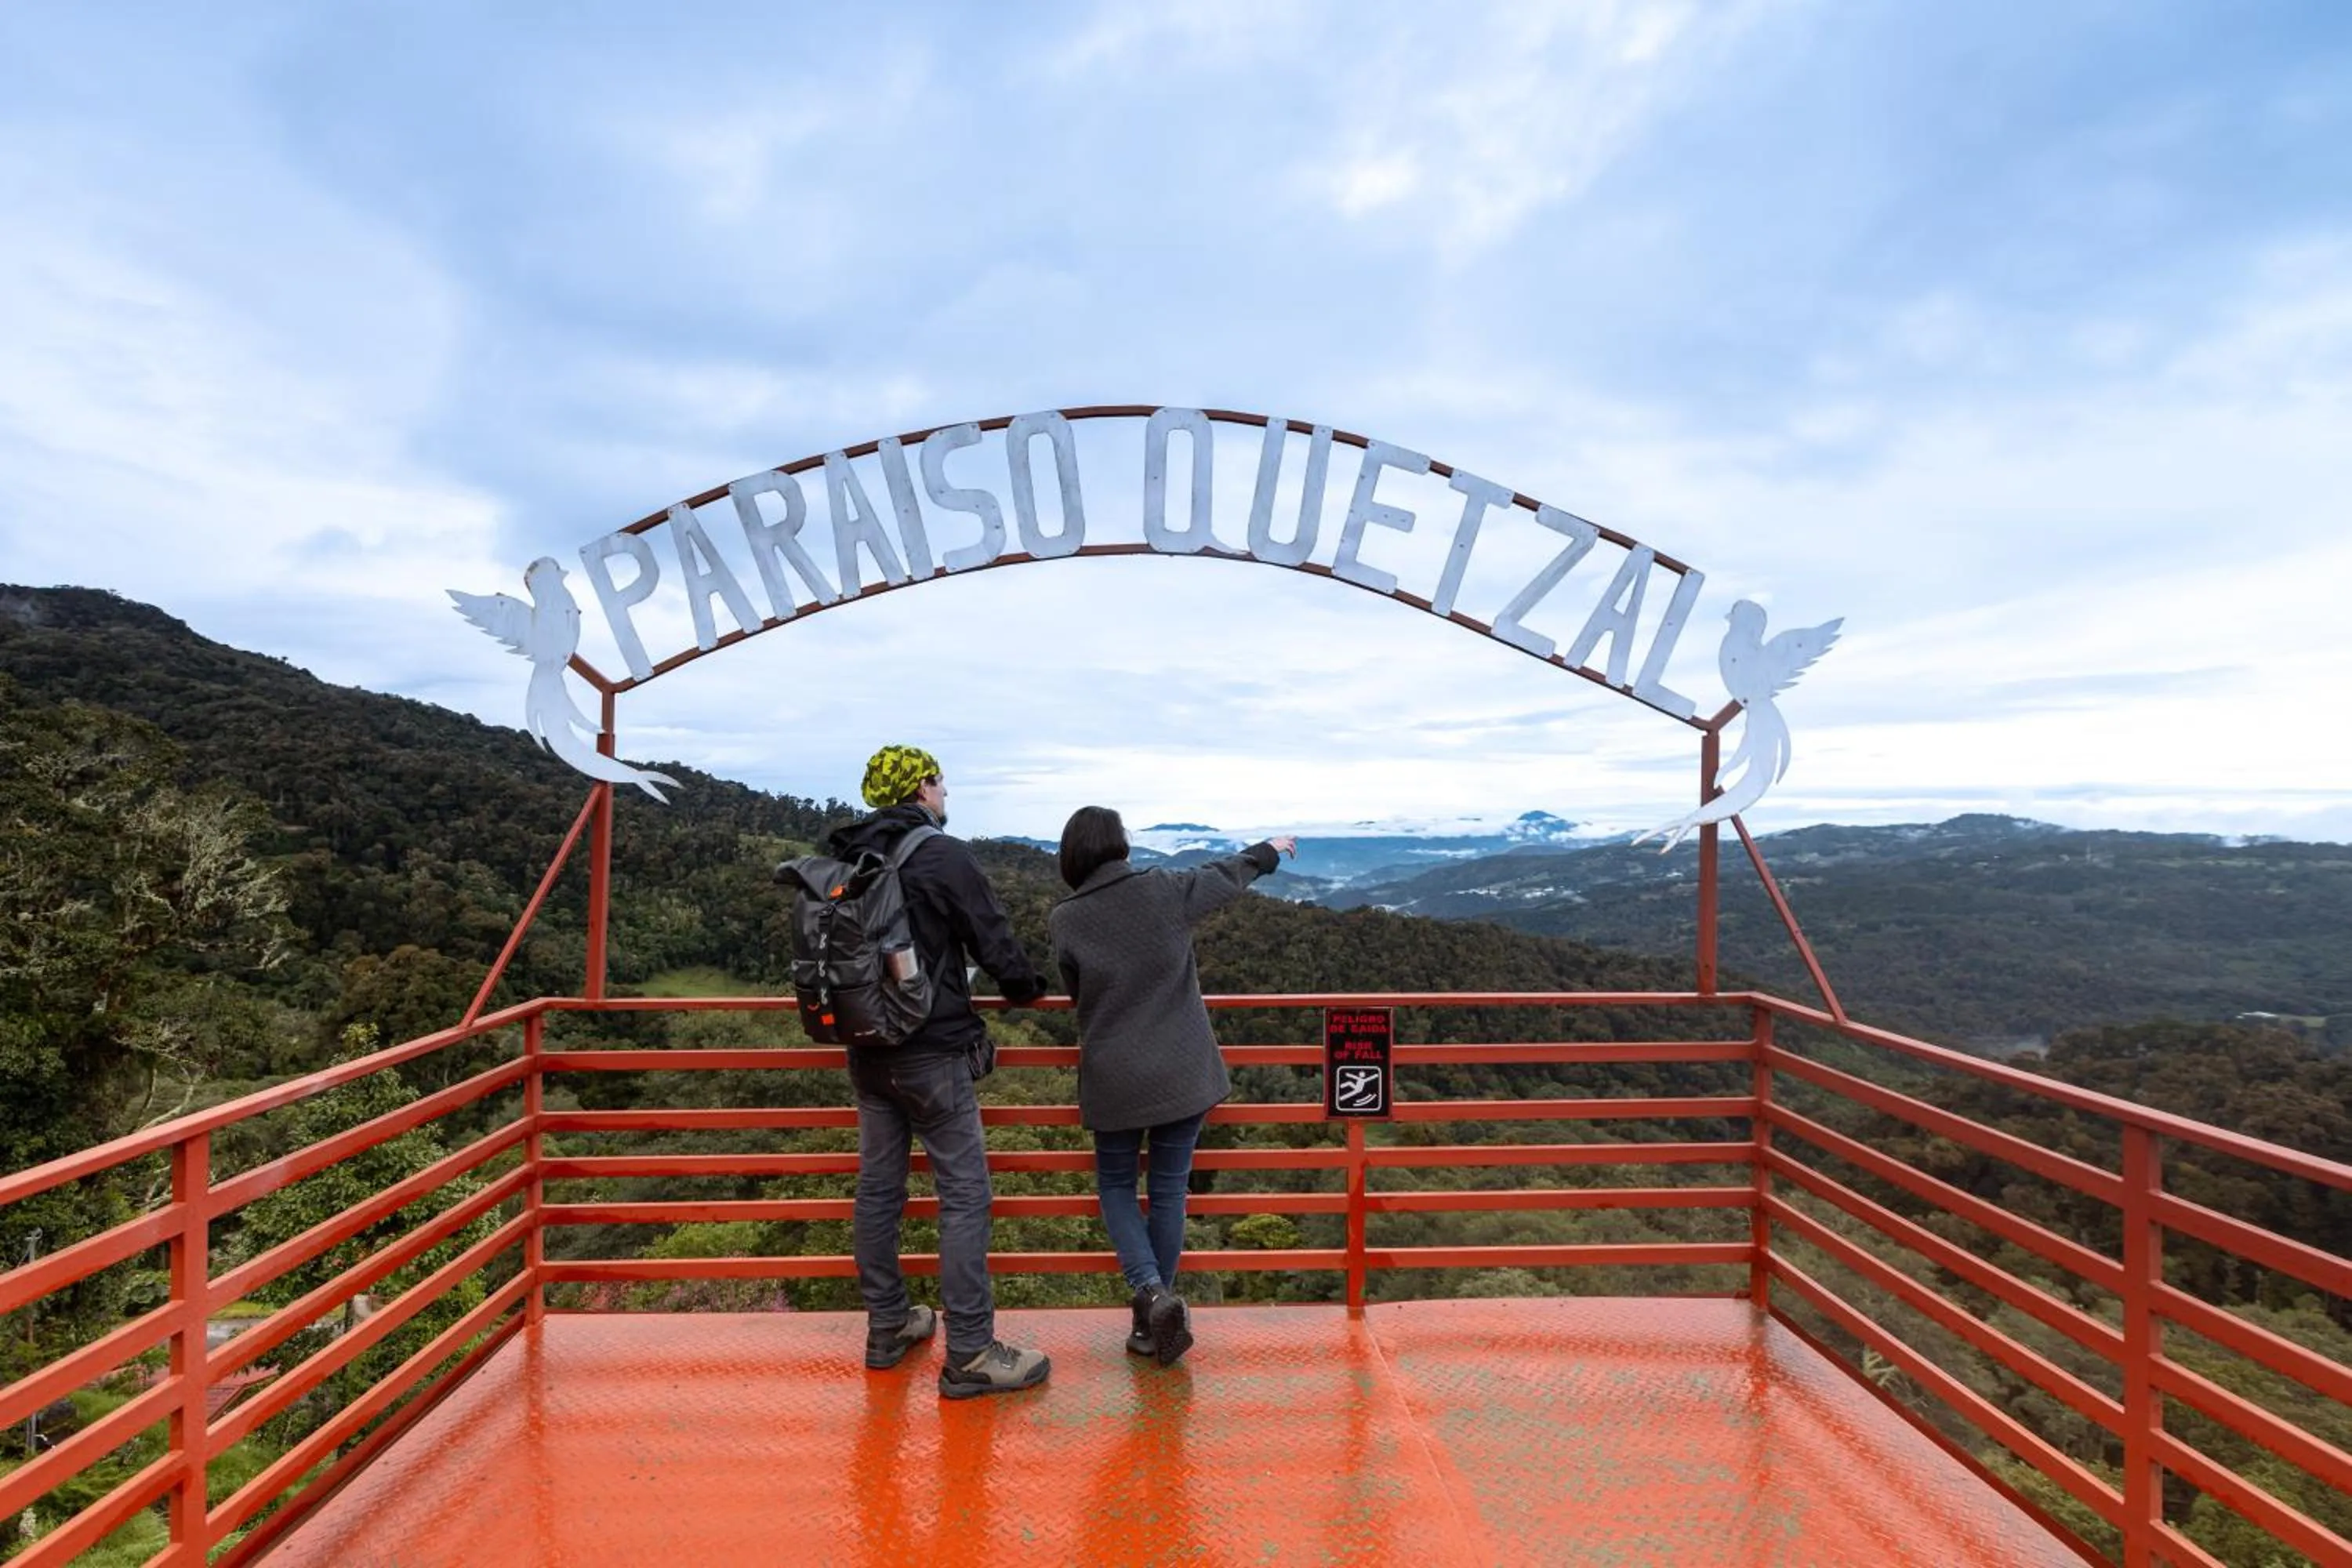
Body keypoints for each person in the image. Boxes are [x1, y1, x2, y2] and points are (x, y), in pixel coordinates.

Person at [828, 744, 1054, 1399]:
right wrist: (1024, 986)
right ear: (922, 787)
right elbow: (995, 941)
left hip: (867, 1050)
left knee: (878, 1191)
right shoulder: (941, 854)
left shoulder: (849, 856)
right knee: (963, 1197)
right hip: (932, 1051)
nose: (946, 793)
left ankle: (889, 1326)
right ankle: (973, 1353)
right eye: (942, 782)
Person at [1047, 806, 1296, 1366]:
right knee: (1167, 1191)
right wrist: (1268, 851)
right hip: (1181, 1069)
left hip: (1115, 1076)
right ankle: (1154, 1315)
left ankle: (1152, 1295)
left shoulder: (1066, 919)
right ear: (1120, 848)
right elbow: (1224, 878)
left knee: (1115, 1185)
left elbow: (1075, 992)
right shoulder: (1164, 889)